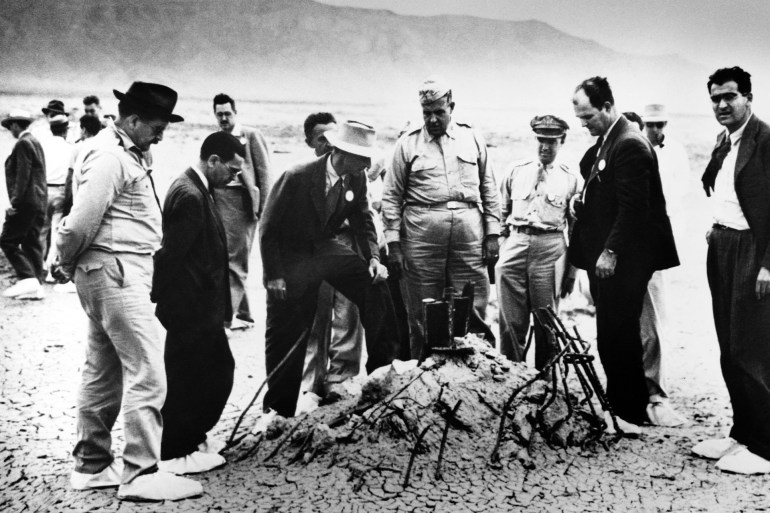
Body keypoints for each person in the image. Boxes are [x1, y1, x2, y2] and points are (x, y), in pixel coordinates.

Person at [54, 81, 202, 501]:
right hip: (115, 272)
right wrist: (66, 262)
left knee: (103, 370)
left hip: (114, 272)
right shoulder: (109, 156)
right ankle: (140, 473)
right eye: (156, 126)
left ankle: (93, 466)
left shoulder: (129, 151)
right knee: (149, 370)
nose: (161, 134)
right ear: (132, 120)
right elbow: (79, 222)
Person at [260, 120, 401, 417]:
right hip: (291, 257)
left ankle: (380, 372)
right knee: (288, 329)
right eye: (362, 157)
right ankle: (277, 409)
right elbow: (268, 228)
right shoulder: (296, 176)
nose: (367, 164)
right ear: (342, 153)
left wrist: (374, 258)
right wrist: (274, 275)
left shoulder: (356, 177)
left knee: (373, 284)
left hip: (325, 248)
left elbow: (363, 220)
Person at [569, 76, 679, 432]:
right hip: (611, 258)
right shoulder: (610, 140)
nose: (584, 125)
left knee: (619, 334)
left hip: (624, 259)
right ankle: (622, 404)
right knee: (614, 333)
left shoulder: (629, 143)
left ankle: (628, 410)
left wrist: (611, 251)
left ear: (607, 106)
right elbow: (600, 183)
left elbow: (634, 208)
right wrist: (581, 201)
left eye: (588, 117)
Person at [382, 76, 501, 359]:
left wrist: (493, 234)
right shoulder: (407, 144)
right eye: (427, 113)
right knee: (424, 308)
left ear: (452, 107)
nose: (433, 119)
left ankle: (475, 371)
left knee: (471, 302)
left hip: (469, 235)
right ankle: (424, 375)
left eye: (439, 112)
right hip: (421, 237)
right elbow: (391, 197)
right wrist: (394, 245)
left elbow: (489, 188)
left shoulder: (472, 138)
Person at [151, 132, 245, 474]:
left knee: (200, 374)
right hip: (190, 309)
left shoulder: (195, 186)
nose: (235, 177)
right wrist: (167, 302)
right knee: (195, 378)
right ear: (214, 160)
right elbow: (171, 256)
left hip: (196, 308)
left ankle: (186, 441)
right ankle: (177, 451)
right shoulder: (190, 193)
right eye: (232, 169)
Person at [693, 67, 770, 474]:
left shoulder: (765, 140)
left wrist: (767, 265)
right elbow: (728, 192)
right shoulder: (724, 140)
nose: (722, 104)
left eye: (730, 96)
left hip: (753, 251)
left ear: (748, 97)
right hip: (723, 244)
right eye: (715, 98)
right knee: (728, 346)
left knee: (751, 348)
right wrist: (716, 228)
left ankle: (765, 446)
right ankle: (742, 434)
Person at [495, 115, 578, 369]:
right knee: (510, 323)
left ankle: (546, 382)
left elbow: (576, 230)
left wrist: (572, 271)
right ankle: (511, 379)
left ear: (561, 141)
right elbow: (501, 214)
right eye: (541, 140)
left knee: (547, 323)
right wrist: (502, 248)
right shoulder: (515, 171)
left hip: (550, 248)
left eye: (552, 142)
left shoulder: (570, 178)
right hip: (516, 242)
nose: (545, 147)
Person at [300, 112, 365, 400]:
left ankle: (342, 379)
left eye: (333, 137)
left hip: (347, 245)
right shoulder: (303, 175)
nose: (329, 144)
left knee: (348, 315)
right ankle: (309, 384)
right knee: (316, 316)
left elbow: (364, 216)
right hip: (315, 249)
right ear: (310, 143)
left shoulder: (353, 174)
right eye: (321, 139)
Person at [639, 103, 690, 427]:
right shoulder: (634, 150)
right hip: (633, 244)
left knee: (655, 320)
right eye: (650, 124)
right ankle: (638, 390)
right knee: (635, 322)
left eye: (661, 124)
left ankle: (656, 394)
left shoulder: (675, 153)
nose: (656, 130)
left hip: (657, 245)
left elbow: (676, 200)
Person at [212, 93, 272, 331]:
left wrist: (265, 209)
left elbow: (265, 173)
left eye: (228, 113)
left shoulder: (251, 136)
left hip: (242, 203)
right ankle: (244, 314)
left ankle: (225, 320)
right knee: (224, 258)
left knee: (235, 261)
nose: (224, 118)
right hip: (219, 200)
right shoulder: (215, 138)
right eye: (220, 114)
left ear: (235, 113)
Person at [1, 110, 47, 299]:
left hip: (26, 202)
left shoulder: (22, 144)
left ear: (15, 125)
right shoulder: (35, 142)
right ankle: (37, 284)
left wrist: (15, 203)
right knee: (31, 241)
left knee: (7, 240)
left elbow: (22, 176)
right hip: (39, 201)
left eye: (10, 126)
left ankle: (27, 278)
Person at [39, 113, 77, 285]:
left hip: (44, 189)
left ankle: (38, 266)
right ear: (65, 130)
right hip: (60, 190)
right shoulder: (70, 148)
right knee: (56, 232)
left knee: (42, 231)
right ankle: (50, 270)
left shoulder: (43, 147)